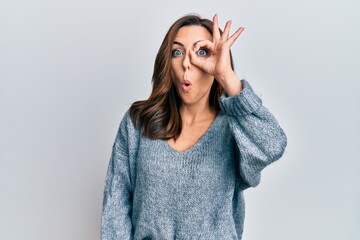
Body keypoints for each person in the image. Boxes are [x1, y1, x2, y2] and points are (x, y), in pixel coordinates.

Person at [101, 14, 287, 240]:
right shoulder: (139, 122)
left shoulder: (234, 128)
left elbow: (272, 145)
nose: (187, 62)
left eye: (202, 52)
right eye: (177, 52)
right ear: (167, 63)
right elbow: (116, 207)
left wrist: (227, 77)